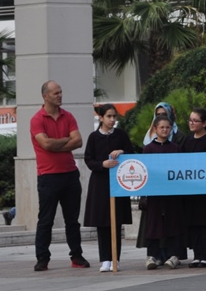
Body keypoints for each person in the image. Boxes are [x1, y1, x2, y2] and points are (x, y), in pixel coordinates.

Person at [31, 80, 88, 272]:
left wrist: (57, 143)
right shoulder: (37, 119)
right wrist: (66, 141)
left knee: (72, 219)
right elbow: (45, 145)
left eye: (61, 92)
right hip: (48, 177)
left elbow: (78, 141)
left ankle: (77, 256)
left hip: (70, 175)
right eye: (56, 93)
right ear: (45, 96)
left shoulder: (68, 116)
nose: (60, 96)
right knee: (45, 219)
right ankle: (42, 258)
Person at [83, 103, 133, 272]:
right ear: (101, 118)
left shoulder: (121, 135)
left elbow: (131, 152)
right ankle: (104, 258)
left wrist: (121, 151)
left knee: (116, 222)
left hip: (117, 183)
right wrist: (101, 164)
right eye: (109, 116)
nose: (112, 120)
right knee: (102, 222)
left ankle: (115, 258)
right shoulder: (93, 137)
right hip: (100, 183)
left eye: (114, 116)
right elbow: (88, 159)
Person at [181, 108, 206, 267]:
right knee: (194, 224)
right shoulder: (187, 140)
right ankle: (197, 255)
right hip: (191, 190)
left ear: (204, 123)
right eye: (190, 120)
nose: (192, 123)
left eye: (195, 120)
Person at [142, 115, 184, 269]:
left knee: (172, 222)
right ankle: (152, 255)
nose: (165, 130)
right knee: (154, 223)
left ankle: (174, 255)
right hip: (154, 193)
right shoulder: (148, 149)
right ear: (155, 129)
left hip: (172, 193)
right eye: (162, 127)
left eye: (168, 127)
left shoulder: (175, 148)